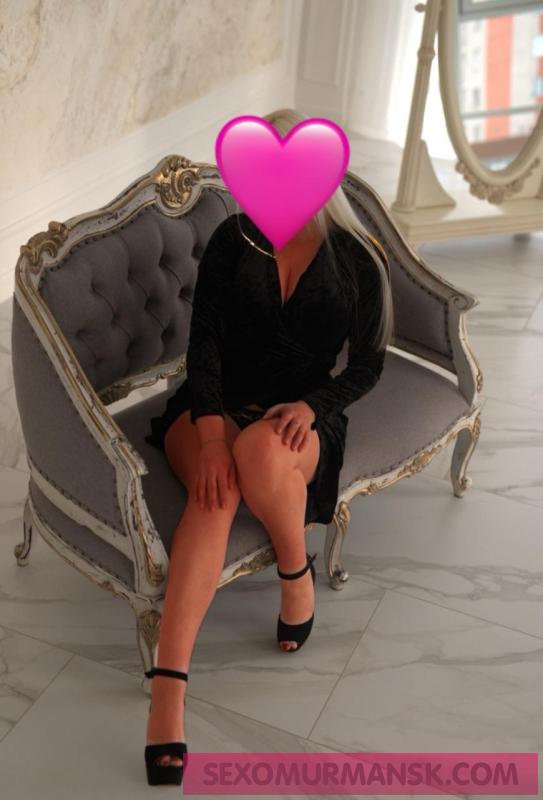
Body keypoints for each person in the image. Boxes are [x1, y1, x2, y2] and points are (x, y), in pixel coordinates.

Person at [143, 107, 394, 786]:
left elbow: (367, 366)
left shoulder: (356, 259)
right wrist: (208, 434)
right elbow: (204, 347)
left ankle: (294, 571)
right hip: (212, 403)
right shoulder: (233, 241)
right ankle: (168, 692)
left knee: (259, 452)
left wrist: (314, 407)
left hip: (301, 416)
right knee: (216, 489)